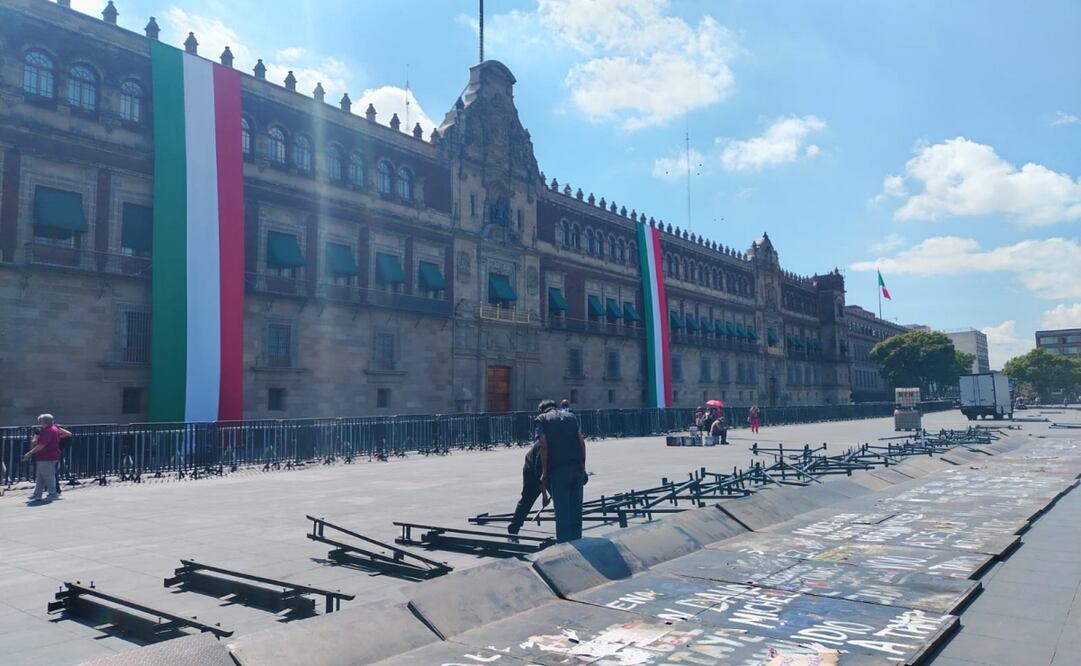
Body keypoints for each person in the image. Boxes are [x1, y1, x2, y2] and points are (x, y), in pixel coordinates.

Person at [536, 399, 587, 543]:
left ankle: (566, 549)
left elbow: (544, 446)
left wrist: (545, 472)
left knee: (562, 512)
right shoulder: (571, 417)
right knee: (576, 510)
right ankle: (578, 542)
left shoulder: (541, 419)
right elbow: (581, 441)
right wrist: (582, 466)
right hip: (576, 468)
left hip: (559, 471)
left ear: (541, 410)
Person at [507, 408, 548, 536]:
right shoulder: (543, 441)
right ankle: (514, 527)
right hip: (532, 471)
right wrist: (544, 495)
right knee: (527, 499)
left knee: (558, 497)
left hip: (544, 471)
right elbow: (539, 473)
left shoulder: (552, 434)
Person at [22, 414, 72, 504]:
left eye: (40, 421)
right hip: (47, 456)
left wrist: (30, 453)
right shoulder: (54, 428)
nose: (39, 424)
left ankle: (53, 494)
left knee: (49, 476)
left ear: (44, 422)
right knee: (41, 477)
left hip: (47, 456)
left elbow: (42, 445)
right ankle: (37, 494)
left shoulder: (49, 431)